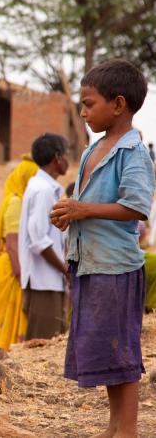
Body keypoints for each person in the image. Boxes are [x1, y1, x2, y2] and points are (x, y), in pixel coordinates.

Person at [51, 59, 154, 438]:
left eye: (89, 103)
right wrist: (70, 215)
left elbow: (136, 206)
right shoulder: (93, 149)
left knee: (121, 352)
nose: (83, 111)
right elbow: (90, 205)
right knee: (107, 352)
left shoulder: (132, 152)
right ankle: (113, 426)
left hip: (116, 267)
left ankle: (128, 429)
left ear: (119, 104)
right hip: (90, 264)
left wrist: (82, 208)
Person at [18, 133, 69, 340]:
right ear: (57, 157)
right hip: (43, 282)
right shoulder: (43, 190)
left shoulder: (45, 188)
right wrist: (65, 270)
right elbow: (38, 239)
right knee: (43, 343)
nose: (67, 160)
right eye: (66, 155)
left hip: (47, 280)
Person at [0, 156, 38, 350]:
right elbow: (12, 244)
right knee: (7, 318)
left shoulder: (15, 200)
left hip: (12, 264)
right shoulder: (16, 203)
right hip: (12, 266)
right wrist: (20, 274)